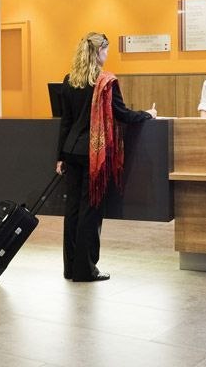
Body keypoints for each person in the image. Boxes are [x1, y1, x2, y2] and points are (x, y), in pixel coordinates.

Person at [55, 32, 156, 282]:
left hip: (71, 152)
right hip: (93, 153)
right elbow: (122, 114)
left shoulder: (69, 81)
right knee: (90, 211)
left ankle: (70, 268)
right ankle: (86, 269)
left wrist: (59, 157)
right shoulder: (106, 82)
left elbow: (65, 122)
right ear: (98, 52)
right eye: (106, 51)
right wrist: (148, 114)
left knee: (73, 211)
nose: (107, 55)